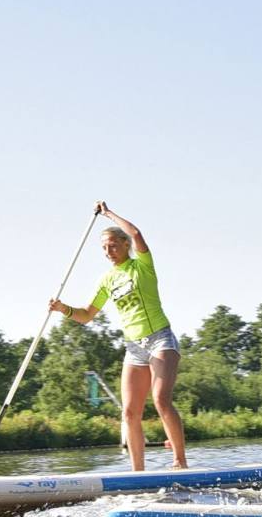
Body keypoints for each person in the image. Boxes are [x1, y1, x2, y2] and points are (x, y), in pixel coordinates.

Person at [49, 201, 189, 470]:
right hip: (133, 347)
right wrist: (62, 308)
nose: (108, 252)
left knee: (161, 400)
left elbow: (136, 233)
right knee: (129, 411)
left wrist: (108, 214)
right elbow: (86, 315)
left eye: (113, 245)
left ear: (126, 245)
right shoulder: (107, 280)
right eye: (104, 248)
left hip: (160, 339)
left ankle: (180, 462)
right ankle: (138, 473)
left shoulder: (142, 266)